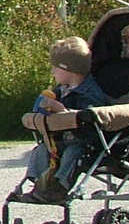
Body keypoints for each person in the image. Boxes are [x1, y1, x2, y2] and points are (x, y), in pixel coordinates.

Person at [18, 36, 109, 200]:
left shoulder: (91, 93)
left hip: (85, 143)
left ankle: (60, 187)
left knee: (72, 152)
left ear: (71, 70)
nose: (52, 72)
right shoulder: (61, 90)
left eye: (56, 68)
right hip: (60, 140)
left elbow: (88, 118)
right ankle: (40, 184)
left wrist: (62, 110)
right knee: (41, 149)